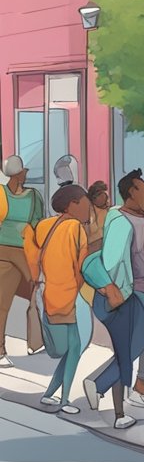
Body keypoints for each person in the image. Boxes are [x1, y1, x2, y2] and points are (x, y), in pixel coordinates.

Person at [86, 170, 144, 410]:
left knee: (143, 341)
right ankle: (104, 385)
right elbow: (112, 261)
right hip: (134, 289)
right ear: (131, 193)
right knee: (143, 340)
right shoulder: (121, 221)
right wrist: (115, 291)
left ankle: (127, 386)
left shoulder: (137, 217)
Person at [31, 184, 93, 413]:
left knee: (71, 349)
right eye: (85, 204)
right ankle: (64, 401)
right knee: (74, 348)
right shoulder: (76, 228)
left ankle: (50, 394)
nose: (89, 210)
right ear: (72, 205)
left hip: (49, 295)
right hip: (69, 296)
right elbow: (82, 267)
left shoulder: (44, 226)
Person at [1, 155, 46, 364]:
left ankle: (36, 342)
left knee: (38, 294)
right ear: (19, 173)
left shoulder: (34, 196)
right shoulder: (6, 194)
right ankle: (2, 349)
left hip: (24, 252)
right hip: (7, 252)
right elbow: (37, 224)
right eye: (24, 171)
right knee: (4, 302)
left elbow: (38, 224)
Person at [85, 181, 110, 252]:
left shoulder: (109, 211)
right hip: (94, 247)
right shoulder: (89, 212)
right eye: (102, 194)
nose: (106, 197)